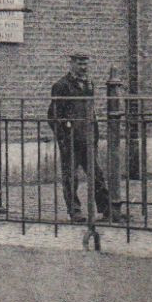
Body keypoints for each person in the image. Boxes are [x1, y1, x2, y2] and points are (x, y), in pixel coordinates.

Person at [47, 54, 111, 221]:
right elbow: (53, 115)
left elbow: (91, 112)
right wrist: (63, 137)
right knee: (70, 177)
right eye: (80, 64)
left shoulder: (89, 84)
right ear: (72, 64)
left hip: (88, 139)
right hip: (71, 140)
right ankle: (75, 212)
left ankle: (107, 209)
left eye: (85, 64)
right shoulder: (61, 86)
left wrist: (95, 134)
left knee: (97, 175)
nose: (84, 67)